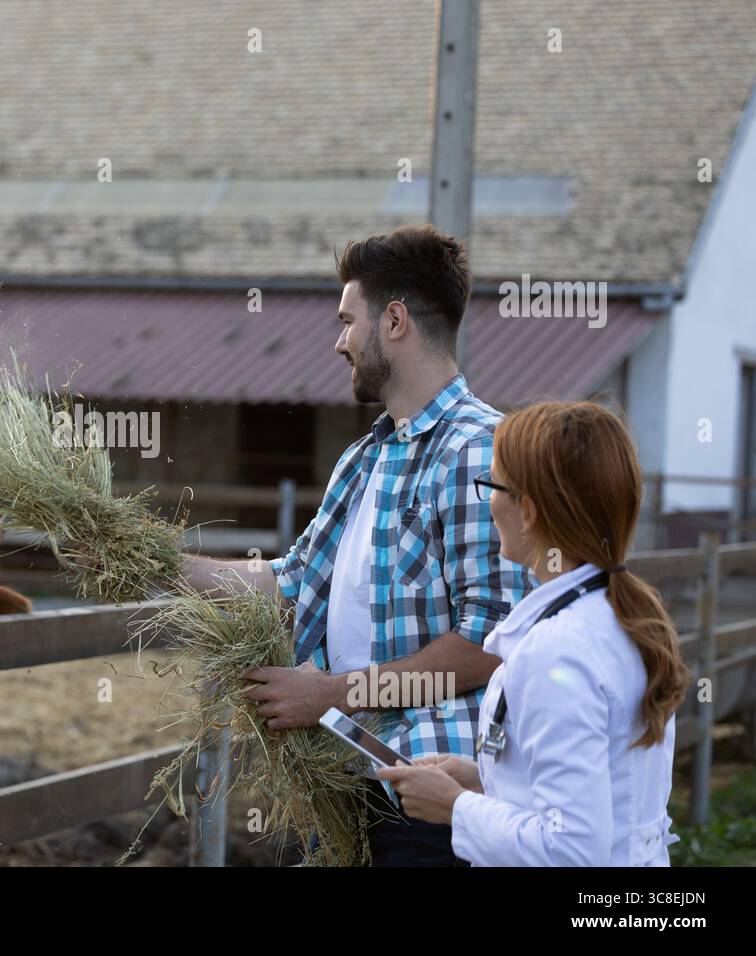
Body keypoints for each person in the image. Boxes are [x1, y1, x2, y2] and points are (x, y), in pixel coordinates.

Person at [183, 225, 530, 865]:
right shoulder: (365, 458)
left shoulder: (479, 449)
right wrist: (155, 562)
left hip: (433, 791)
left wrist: (331, 695)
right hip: (350, 782)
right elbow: (289, 585)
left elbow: (489, 643)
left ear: (394, 321)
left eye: (348, 321)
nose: (339, 341)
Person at [377, 401, 689, 866]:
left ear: (528, 511)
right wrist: (485, 779)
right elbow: (601, 795)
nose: (489, 503)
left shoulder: (559, 650)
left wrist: (455, 808)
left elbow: (572, 850)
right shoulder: (622, 618)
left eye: (492, 486)